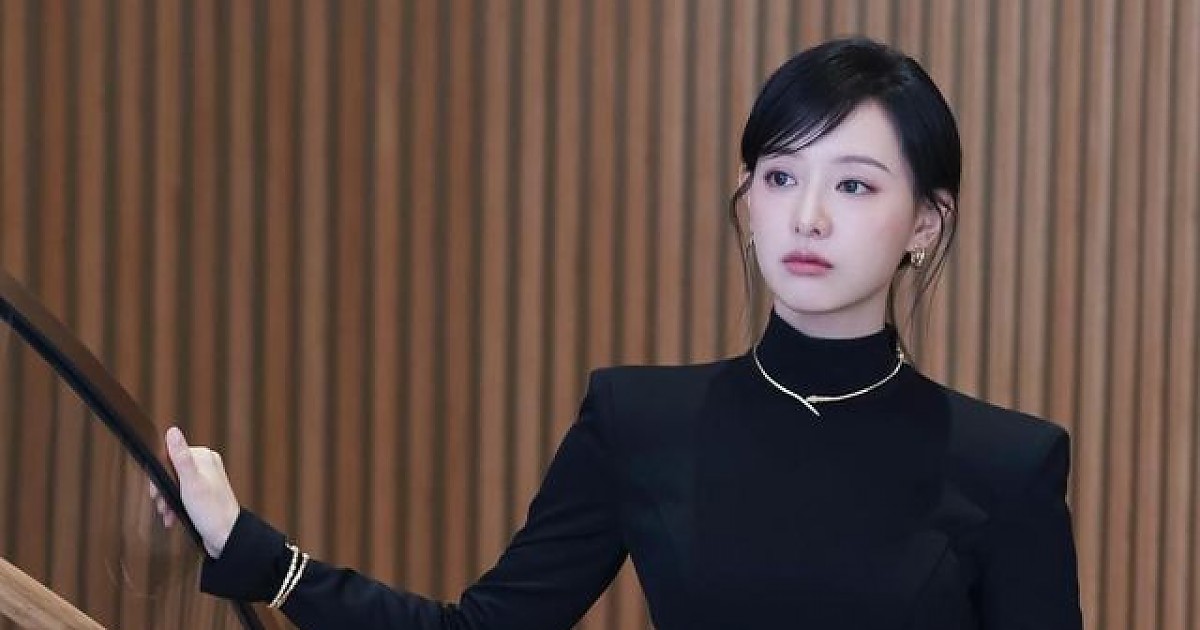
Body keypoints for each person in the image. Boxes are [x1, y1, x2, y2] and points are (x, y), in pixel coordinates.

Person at [157, 37, 1083, 629]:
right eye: (779, 176)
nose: (807, 217)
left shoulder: (1010, 465)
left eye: (852, 184)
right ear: (748, 199)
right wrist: (254, 551)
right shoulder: (641, 419)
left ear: (925, 222)